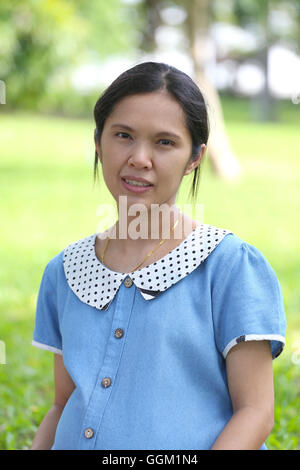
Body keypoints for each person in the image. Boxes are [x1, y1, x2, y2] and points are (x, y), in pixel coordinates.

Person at [30, 62, 286, 450]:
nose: (139, 158)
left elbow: (255, 413)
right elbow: (63, 403)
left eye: (165, 142)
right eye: (123, 135)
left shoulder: (229, 267)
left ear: (195, 158)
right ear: (98, 141)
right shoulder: (66, 272)